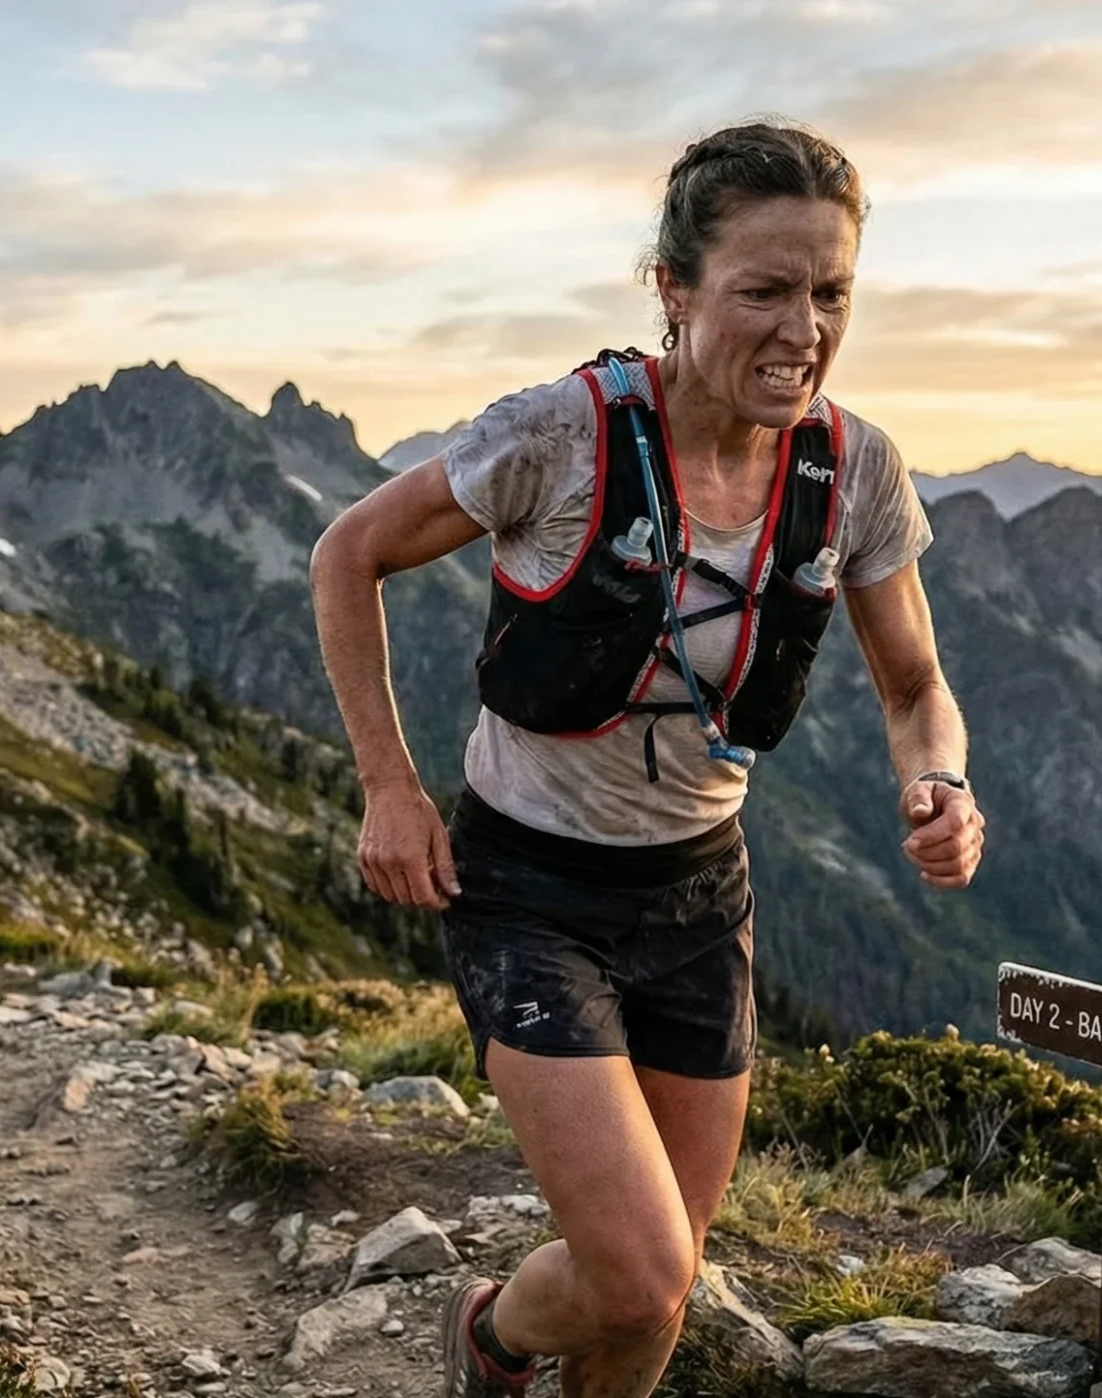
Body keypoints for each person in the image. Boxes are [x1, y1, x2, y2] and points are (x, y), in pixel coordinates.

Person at [307, 119, 987, 1398]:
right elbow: (348, 552)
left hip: (698, 893)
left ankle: (510, 1356)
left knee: (658, 1288)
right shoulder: (556, 437)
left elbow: (915, 688)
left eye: (831, 293)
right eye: (763, 291)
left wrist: (939, 780)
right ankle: (491, 1335)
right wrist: (388, 787)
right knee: (638, 1270)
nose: (803, 330)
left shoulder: (853, 470)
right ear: (674, 288)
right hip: (528, 887)